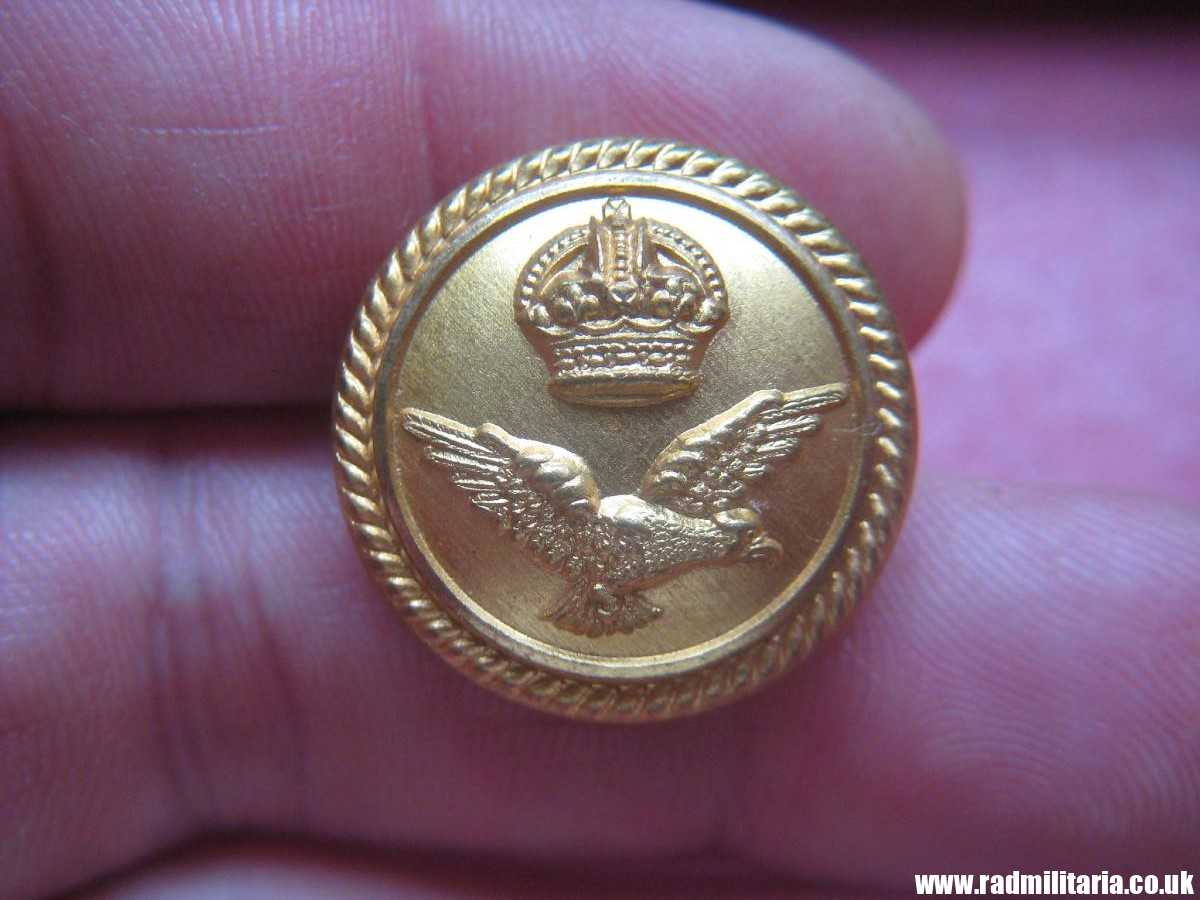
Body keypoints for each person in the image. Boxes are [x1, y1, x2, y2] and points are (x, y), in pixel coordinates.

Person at [1, 2, 1195, 897]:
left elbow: (778, 444)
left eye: (731, 532)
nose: (733, 530)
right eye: (730, 532)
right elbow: (462, 453)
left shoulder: (693, 503)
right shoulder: (589, 505)